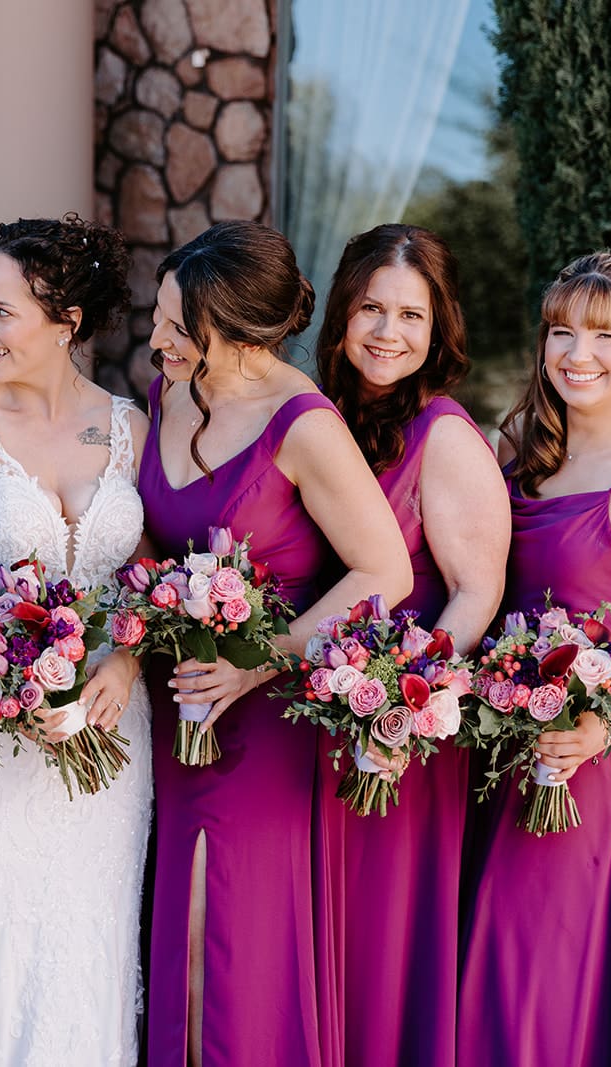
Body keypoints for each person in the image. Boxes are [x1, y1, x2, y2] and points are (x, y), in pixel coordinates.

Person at [140, 220, 412, 1067]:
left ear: (237, 330)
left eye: (177, 327)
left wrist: (256, 662)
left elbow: (383, 570)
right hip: (177, 701)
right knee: (175, 933)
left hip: (265, 717)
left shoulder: (303, 424)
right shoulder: (168, 394)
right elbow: (151, 534)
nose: (157, 341)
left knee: (232, 931)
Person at [0, 215, 151, 1065]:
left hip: (111, 733)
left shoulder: (129, 427)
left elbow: (147, 588)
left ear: (67, 321)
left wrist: (121, 659)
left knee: (91, 945)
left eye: (1, 312)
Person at [458, 251, 611, 1066]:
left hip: (577, 764)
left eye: (604, 333)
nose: (577, 352)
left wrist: (600, 724)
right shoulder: (520, 446)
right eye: (560, 330)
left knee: (540, 974)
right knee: (471, 964)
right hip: (489, 750)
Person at [314, 222, 509, 1067]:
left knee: (385, 942)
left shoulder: (446, 435)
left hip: (399, 735)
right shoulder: (321, 422)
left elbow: (478, 590)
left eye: (409, 315)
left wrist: (404, 697)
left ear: (437, 330)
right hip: (315, 718)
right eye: (370, 309)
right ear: (342, 316)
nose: (387, 333)